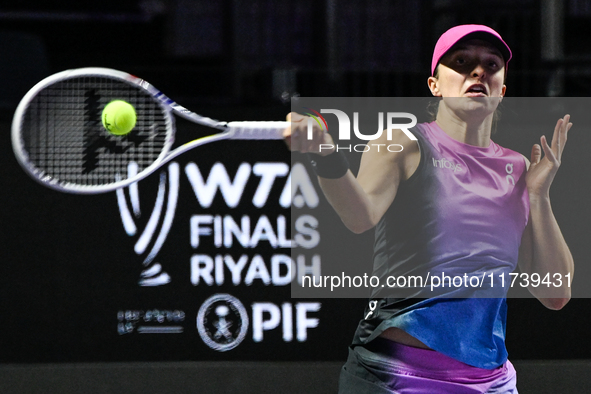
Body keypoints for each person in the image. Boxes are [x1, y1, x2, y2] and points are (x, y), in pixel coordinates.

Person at [284, 25, 574, 393]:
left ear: (502, 90)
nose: (478, 71)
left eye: (491, 64)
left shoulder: (518, 169)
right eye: (462, 62)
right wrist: (325, 155)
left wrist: (538, 196)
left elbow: (556, 293)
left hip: (491, 382)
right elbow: (360, 217)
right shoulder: (402, 144)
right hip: (395, 377)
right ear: (434, 84)